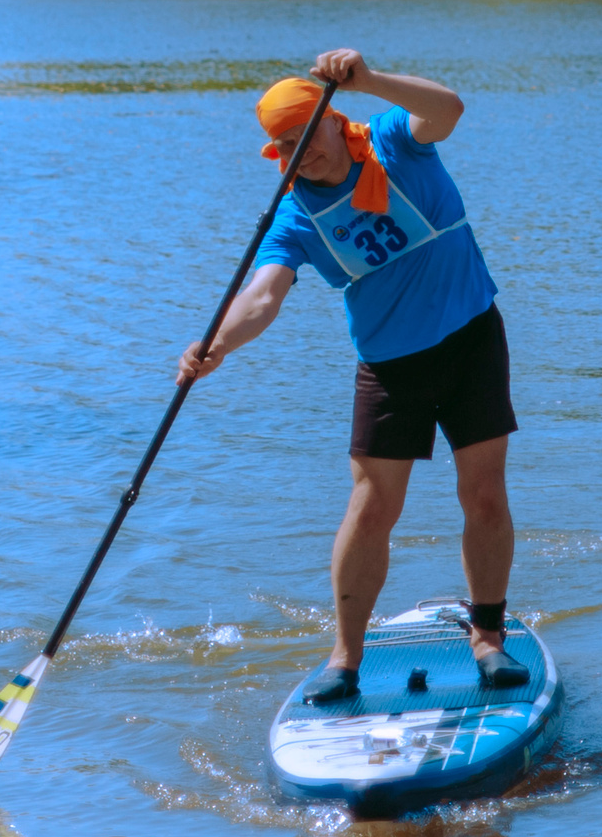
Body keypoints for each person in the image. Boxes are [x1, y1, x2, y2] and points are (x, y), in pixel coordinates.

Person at [175, 47, 527, 703]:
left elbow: (449, 108)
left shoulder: (394, 142)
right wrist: (216, 344)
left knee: (483, 495)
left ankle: (488, 638)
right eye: (285, 145)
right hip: (390, 365)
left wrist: (369, 80)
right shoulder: (292, 216)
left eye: (307, 135)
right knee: (371, 510)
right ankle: (344, 658)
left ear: (336, 122)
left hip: (471, 340)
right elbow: (263, 295)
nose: (299, 153)